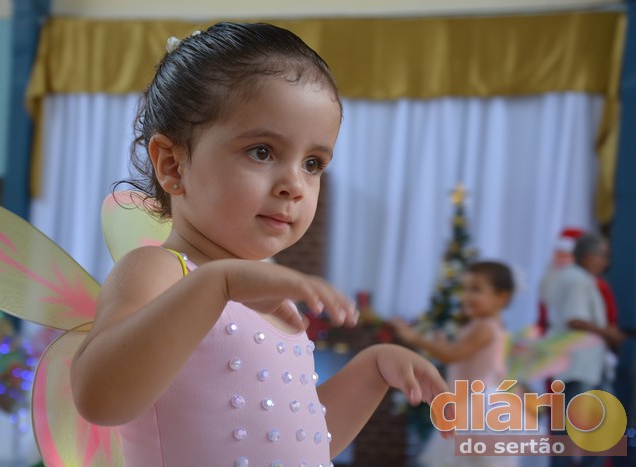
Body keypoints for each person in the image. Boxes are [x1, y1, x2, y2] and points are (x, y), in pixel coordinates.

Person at [69, 22, 448, 466]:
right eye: (262, 151)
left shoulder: (273, 302)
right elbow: (99, 398)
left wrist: (372, 370)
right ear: (173, 165)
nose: (295, 185)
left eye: (313, 163)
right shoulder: (159, 269)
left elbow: (296, 437)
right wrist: (216, 284)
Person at [391, 261, 518, 467]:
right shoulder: (484, 326)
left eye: (475, 289)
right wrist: (442, 346)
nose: (466, 296)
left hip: (477, 406)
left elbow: (452, 356)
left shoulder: (485, 328)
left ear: (501, 297)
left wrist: (414, 338)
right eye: (465, 289)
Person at [542, 233, 624, 467]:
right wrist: (607, 333)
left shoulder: (580, 278)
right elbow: (574, 319)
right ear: (588, 256)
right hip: (577, 369)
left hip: (585, 368)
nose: (606, 262)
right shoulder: (576, 279)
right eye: (603, 256)